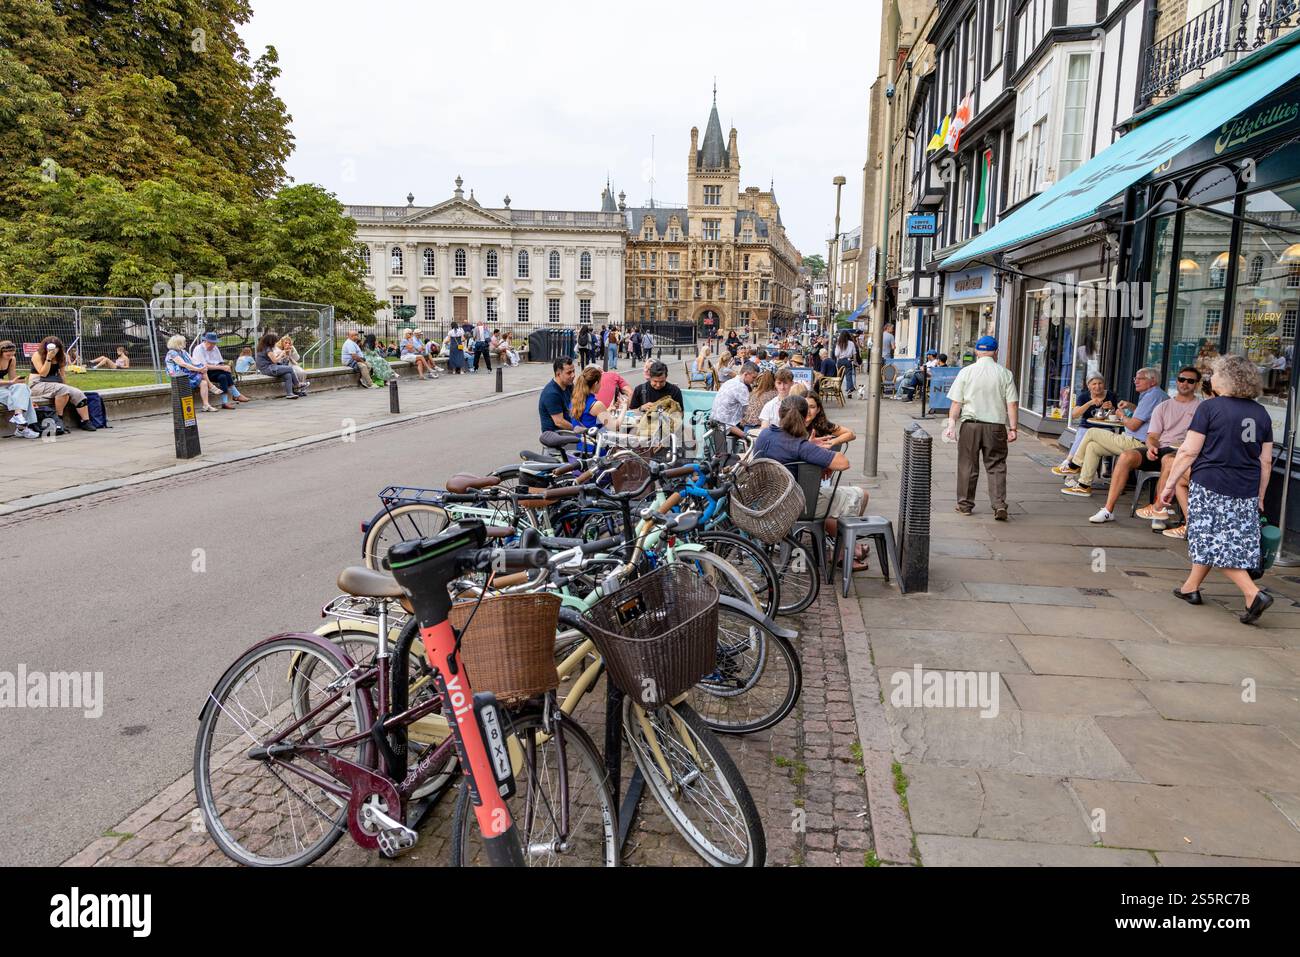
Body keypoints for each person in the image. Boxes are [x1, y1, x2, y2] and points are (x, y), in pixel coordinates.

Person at [1160, 355, 1274, 624]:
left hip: (1211, 484)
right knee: (1214, 538)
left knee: (1213, 542)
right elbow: (1265, 462)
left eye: (1216, 374)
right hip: (1245, 488)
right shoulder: (1261, 413)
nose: (1212, 378)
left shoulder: (1210, 408)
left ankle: (1253, 593)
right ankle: (1190, 588)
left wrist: (1169, 484)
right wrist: (1260, 496)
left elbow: (1188, 451)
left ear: (1228, 378)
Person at [753, 395, 872, 569]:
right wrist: (820, 449)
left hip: (769, 502)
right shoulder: (800, 446)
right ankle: (845, 552)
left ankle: (844, 549)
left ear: (779, 413)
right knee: (861, 494)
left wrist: (811, 447)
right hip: (796, 507)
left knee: (830, 507)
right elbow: (843, 463)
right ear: (805, 416)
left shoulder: (765, 435)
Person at [1089, 366, 1201, 527]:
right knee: (1126, 456)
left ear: (1196, 384)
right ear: (1177, 381)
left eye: (1190, 381)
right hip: (1161, 448)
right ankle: (1108, 510)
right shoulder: (1164, 406)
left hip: (1184, 452)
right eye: (1182, 379)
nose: (1185, 383)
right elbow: (1153, 436)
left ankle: (1158, 513)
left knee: (1168, 460)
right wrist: (1152, 447)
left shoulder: (1201, 408)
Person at [1060, 368, 1167, 498]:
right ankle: (1083, 486)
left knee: (1092, 432)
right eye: (1135, 378)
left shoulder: (1152, 396)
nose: (1136, 381)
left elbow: (1133, 425)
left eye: (1140, 378)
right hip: (1136, 441)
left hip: (1140, 444)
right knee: (1093, 447)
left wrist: (1122, 416)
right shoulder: (1154, 394)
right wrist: (1130, 406)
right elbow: (1144, 416)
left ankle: (1074, 465)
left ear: (1152, 381)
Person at [944, 335, 1018, 520]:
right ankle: (999, 504)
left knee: (967, 465)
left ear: (977, 351)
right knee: (996, 465)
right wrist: (1013, 428)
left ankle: (965, 505)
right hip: (995, 427)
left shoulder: (966, 372)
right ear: (996, 353)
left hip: (971, 426)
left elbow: (956, 402)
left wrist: (951, 425)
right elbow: (1012, 404)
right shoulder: (1005, 373)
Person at [1051, 375, 1119, 475]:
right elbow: (1074, 415)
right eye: (1094, 384)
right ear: (1089, 386)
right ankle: (1069, 461)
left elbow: (1117, 416)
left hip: (1105, 428)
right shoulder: (1084, 396)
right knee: (1083, 434)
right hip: (1086, 426)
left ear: (1104, 384)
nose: (1097, 386)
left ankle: (1070, 464)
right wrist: (1089, 403)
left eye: (1100, 383)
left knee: (1089, 441)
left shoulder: (1111, 396)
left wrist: (1112, 408)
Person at [30, 336, 97, 429]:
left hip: (55, 383)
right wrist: (48, 359)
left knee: (78, 393)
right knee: (63, 390)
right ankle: (59, 419)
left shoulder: (62, 356)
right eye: (50, 348)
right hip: (38, 384)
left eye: (55, 348)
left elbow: (62, 375)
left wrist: (67, 387)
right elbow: (43, 373)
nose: (53, 350)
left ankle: (86, 421)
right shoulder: (37, 355)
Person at [166, 334, 223, 412]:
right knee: (202, 372)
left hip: (187, 373)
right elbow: (184, 364)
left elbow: (193, 361)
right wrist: (198, 369)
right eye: (184, 341)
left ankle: (206, 405)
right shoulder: (172, 353)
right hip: (178, 375)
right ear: (178, 343)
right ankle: (211, 387)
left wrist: (201, 367)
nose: (186, 343)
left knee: (203, 383)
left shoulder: (183, 351)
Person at [194, 332, 248, 409]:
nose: (212, 345)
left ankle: (225, 402)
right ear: (205, 341)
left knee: (223, 376)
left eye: (214, 343)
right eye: (210, 343)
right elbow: (203, 366)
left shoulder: (215, 348)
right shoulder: (198, 349)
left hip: (216, 370)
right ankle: (236, 394)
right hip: (204, 373)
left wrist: (225, 366)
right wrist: (222, 368)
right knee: (224, 372)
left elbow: (220, 362)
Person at [570, 366, 615, 453]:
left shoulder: (575, 400)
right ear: (596, 383)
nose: (601, 385)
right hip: (596, 449)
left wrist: (607, 410)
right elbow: (613, 427)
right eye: (600, 382)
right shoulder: (596, 405)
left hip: (581, 448)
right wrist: (624, 408)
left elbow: (587, 418)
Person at [0, 340, 40, 438]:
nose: (10, 357)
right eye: (7, 355)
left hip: (3, 387)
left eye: (11, 355)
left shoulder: (11, 359)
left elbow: (12, 379)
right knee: (24, 398)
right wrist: (11, 382)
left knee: (22, 388)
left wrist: (18, 382)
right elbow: (10, 382)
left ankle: (18, 416)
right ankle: (22, 429)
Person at [712, 361, 759, 439]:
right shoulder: (741, 387)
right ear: (746, 374)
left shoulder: (730, 382)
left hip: (716, 422)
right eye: (753, 378)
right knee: (754, 434)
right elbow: (750, 411)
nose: (754, 381)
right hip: (727, 426)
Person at [254, 332, 301, 399]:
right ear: (271, 342)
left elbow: (274, 360)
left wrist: (284, 356)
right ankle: (297, 385)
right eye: (275, 342)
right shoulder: (268, 349)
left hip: (270, 368)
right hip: (268, 369)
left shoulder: (264, 348)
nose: (275, 343)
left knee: (288, 374)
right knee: (290, 369)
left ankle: (289, 393)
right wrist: (282, 353)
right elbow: (275, 360)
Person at [539, 357, 577, 435]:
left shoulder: (569, 385)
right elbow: (559, 422)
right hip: (557, 435)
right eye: (569, 373)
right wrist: (578, 429)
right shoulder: (551, 394)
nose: (573, 375)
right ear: (558, 373)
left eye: (573, 371)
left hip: (568, 430)